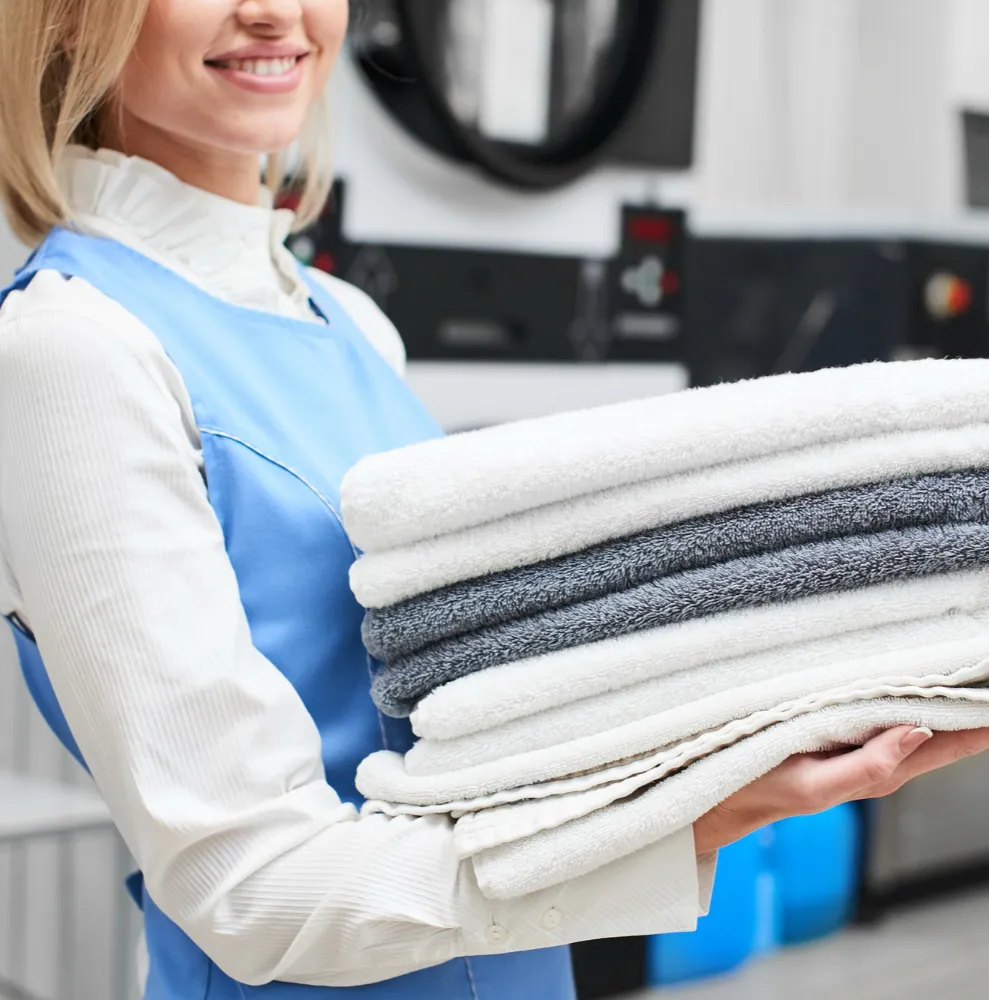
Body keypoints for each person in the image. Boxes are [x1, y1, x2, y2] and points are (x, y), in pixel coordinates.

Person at [1, 2, 987, 998]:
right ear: (73, 22)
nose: (274, 12)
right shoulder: (75, 353)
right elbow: (253, 891)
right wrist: (677, 823)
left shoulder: (348, 321)